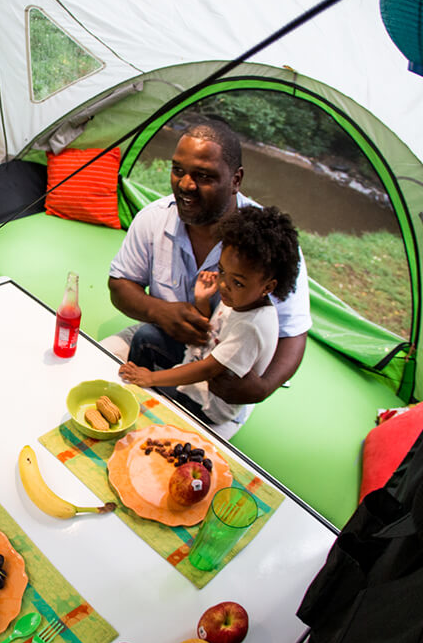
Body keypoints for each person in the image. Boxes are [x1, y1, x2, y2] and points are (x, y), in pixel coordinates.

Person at [106, 118, 311, 435]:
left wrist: (261, 388)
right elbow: (119, 284)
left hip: (223, 377)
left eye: (203, 176)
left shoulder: (268, 248)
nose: (186, 184)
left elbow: (294, 333)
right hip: (157, 334)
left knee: (174, 446)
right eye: (178, 170)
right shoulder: (153, 220)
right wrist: (159, 311)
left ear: (235, 179)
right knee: (93, 380)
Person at [120, 206, 301, 435]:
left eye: (237, 282)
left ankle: (143, 411)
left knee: (159, 403)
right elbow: (210, 334)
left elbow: (208, 369)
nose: (224, 284)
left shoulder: (251, 326)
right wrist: (203, 302)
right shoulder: (239, 298)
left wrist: (150, 378)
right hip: (196, 363)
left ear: (268, 287)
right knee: (146, 337)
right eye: (222, 271)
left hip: (207, 401)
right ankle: (135, 395)